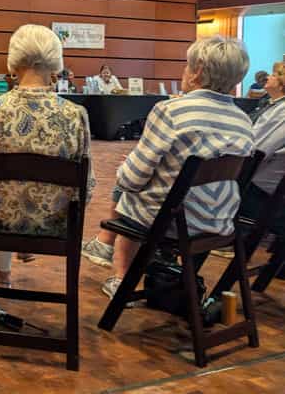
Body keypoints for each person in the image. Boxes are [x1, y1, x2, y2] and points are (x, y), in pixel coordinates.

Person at [81, 36, 253, 299]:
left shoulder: (171, 111)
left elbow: (132, 179)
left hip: (172, 223)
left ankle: (123, 279)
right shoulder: (243, 120)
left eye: (187, 66)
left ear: (197, 73)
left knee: (129, 189)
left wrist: (125, 172)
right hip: (219, 221)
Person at [0, 24, 94, 287]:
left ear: (13, 62)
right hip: (53, 222)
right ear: (55, 64)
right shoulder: (75, 116)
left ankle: (3, 275)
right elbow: (86, 188)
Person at [239, 62, 285, 236]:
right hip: (264, 183)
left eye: (273, 75)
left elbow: (257, 151)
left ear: (282, 82)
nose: (268, 77)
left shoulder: (281, 111)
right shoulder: (272, 105)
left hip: (259, 190)